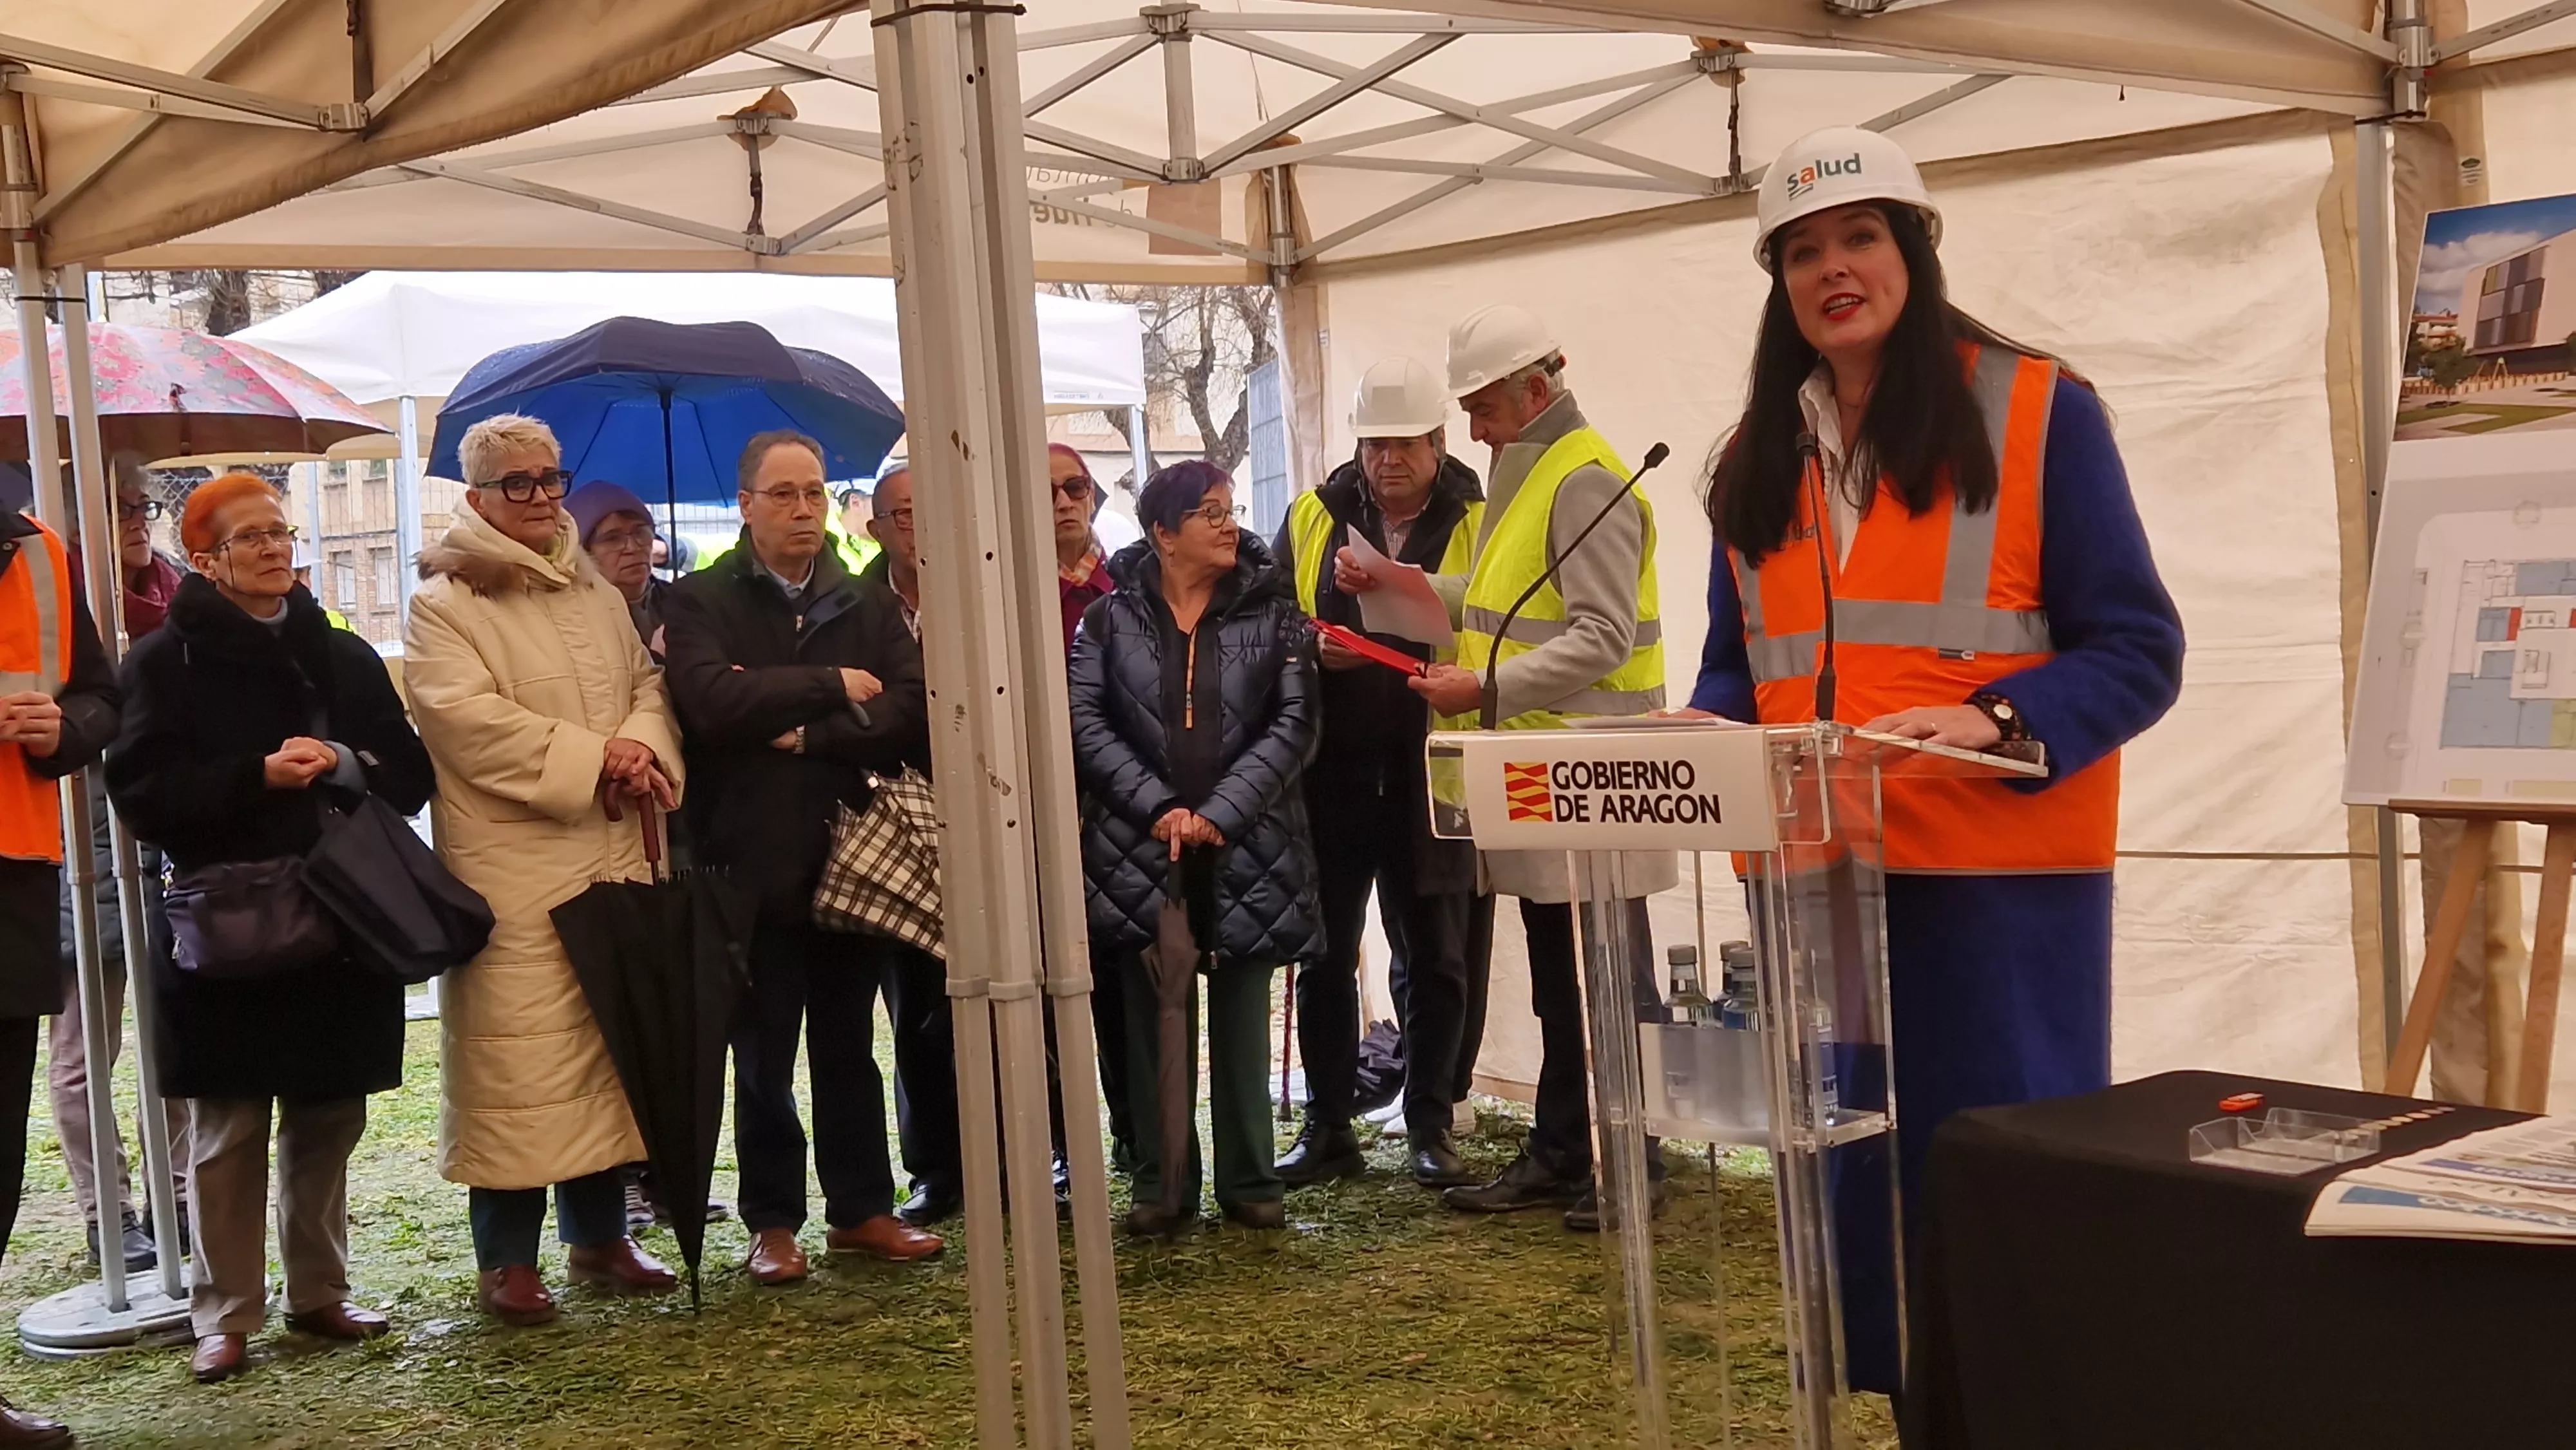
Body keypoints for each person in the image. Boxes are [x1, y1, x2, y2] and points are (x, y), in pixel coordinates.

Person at [1677, 127, 2184, 1393]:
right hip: (1814, 890)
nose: (1830, 268)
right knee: (1857, 1203)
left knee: (1995, 1195)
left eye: (1858, 237)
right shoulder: (1753, 455)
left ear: (1912, 248)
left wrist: (2001, 720)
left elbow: (2136, 646)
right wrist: (1702, 727)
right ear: (1776, 281)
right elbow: (1738, 667)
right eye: (1800, 251)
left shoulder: (2032, 411)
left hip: (1996, 892)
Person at [105, 473, 435, 1386]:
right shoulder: (160, 665)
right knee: (231, 1125)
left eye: (280, 532)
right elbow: (141, 797)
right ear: (205, 561)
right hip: (228, 927)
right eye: (249, 538)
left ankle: (318, 1292)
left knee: (331, 1113)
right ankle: (226, 1314)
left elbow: (409, 774)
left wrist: (336, 760)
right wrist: (257, 776)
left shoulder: (343, 657)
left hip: (342, 918)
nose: (273, 550)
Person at [1372, 303, 1674, 1232]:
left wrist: (1485, 690)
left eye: (1484, 405)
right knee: (1558, 982)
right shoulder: (1529, 469)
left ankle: (1633, 1156)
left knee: (1610, 981)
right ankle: (1559, 1146)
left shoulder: (1583, 479)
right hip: (1546, 769)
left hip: (1595, 774)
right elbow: (1511, 595)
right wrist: (1409, 589)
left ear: (1537, 389)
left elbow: (1601, 635)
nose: (1471, 428)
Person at [403, 415, 683, 1328]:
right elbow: (462, 719)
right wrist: (595, 758)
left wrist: (640, 749)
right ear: (477, 497)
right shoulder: (445, 603)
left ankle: (600, 1237)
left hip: (611, 848)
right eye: (517, 484)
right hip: (515, 865)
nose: (539, 498)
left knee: (607, 1044)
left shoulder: (594, 584)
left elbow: (646, 684)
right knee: (518, 1062)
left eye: (550, 479)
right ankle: (506, 1259)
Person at [662, 430, 943, 1281]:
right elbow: (711, 701)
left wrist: (801, 731)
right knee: (764, 1057)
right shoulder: (701, 599)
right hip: (747, 864)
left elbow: (909, 706)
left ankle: (862, 1210)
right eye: (783, 494)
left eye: (816, 493)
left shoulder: (861, 601)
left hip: (852, 860)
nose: (803, 510)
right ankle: (773, 1223)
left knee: (850, 1049)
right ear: (745, 505)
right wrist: (831, 685)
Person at [1069, 460, 1321, 1238]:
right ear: (1162, 533)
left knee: (1244, 1010)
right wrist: (1158, 808)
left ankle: (1251, 1181)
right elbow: (1084, 721)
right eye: (1207, 512)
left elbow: (1295, 725)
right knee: (1154, 1017)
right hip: (1141, 845)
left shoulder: (1275, 615)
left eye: (1229, 509)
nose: (1227, 524)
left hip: (1248, 841)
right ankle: (1163, 1185)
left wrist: (1218, 811)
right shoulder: (1106, 622)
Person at [1273, 357, 1486, 1190]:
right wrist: (1310, 647)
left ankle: (1431, 1122)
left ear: (1438, 442)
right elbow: (1274, 618)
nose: (1385, 461)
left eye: (1402, 444)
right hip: (1333, 768)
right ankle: (1329, 1127)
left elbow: (1505, 620)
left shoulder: (1482, 516)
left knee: (1435, 952)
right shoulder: (1315, 514)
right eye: (1373, 444)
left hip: (1435, 765)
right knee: (1322, 950)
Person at [0, 473, 122, 1446]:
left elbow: (99, 698)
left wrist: (64, 729)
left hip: (11, 878)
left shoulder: (38, 544)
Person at [53, 459, 191, 1275]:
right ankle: (110, 1212)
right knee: (84, 1051)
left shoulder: (172, 598)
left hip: (165, 850)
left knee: (170, 1033)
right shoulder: (63, 611)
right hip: (82, 851)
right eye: (118, 509)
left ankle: (175, 1194)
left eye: (144, 505)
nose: (138, 520)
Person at [853, 465, 961, 1225]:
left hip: (989, 812)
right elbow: (868, 711)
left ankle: (1036, 1151)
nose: (920, 526)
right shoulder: (854, 607)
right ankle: (936, 1167)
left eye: (932, 511)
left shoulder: (983, 592)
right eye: (904, 513)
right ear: (878, 528)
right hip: (897, 816)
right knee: (915, 1002)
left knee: (1005, 995)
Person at [1048, 440, 1135, 1171]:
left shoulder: (1130, 584)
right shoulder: (1004, 592)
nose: (1063, 501)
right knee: (1044, 991)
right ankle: (1057, 1151)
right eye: (1045, 489)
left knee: (1123, 987)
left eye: (1075, 486)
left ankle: (1142, 1144)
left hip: (1119, 812)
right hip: (1035, 811)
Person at [566, 481, 668, 658]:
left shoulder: (682, 604)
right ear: (582, 552)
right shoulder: (574, 620)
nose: (633, 547)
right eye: (612, 539)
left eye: (641, 533)